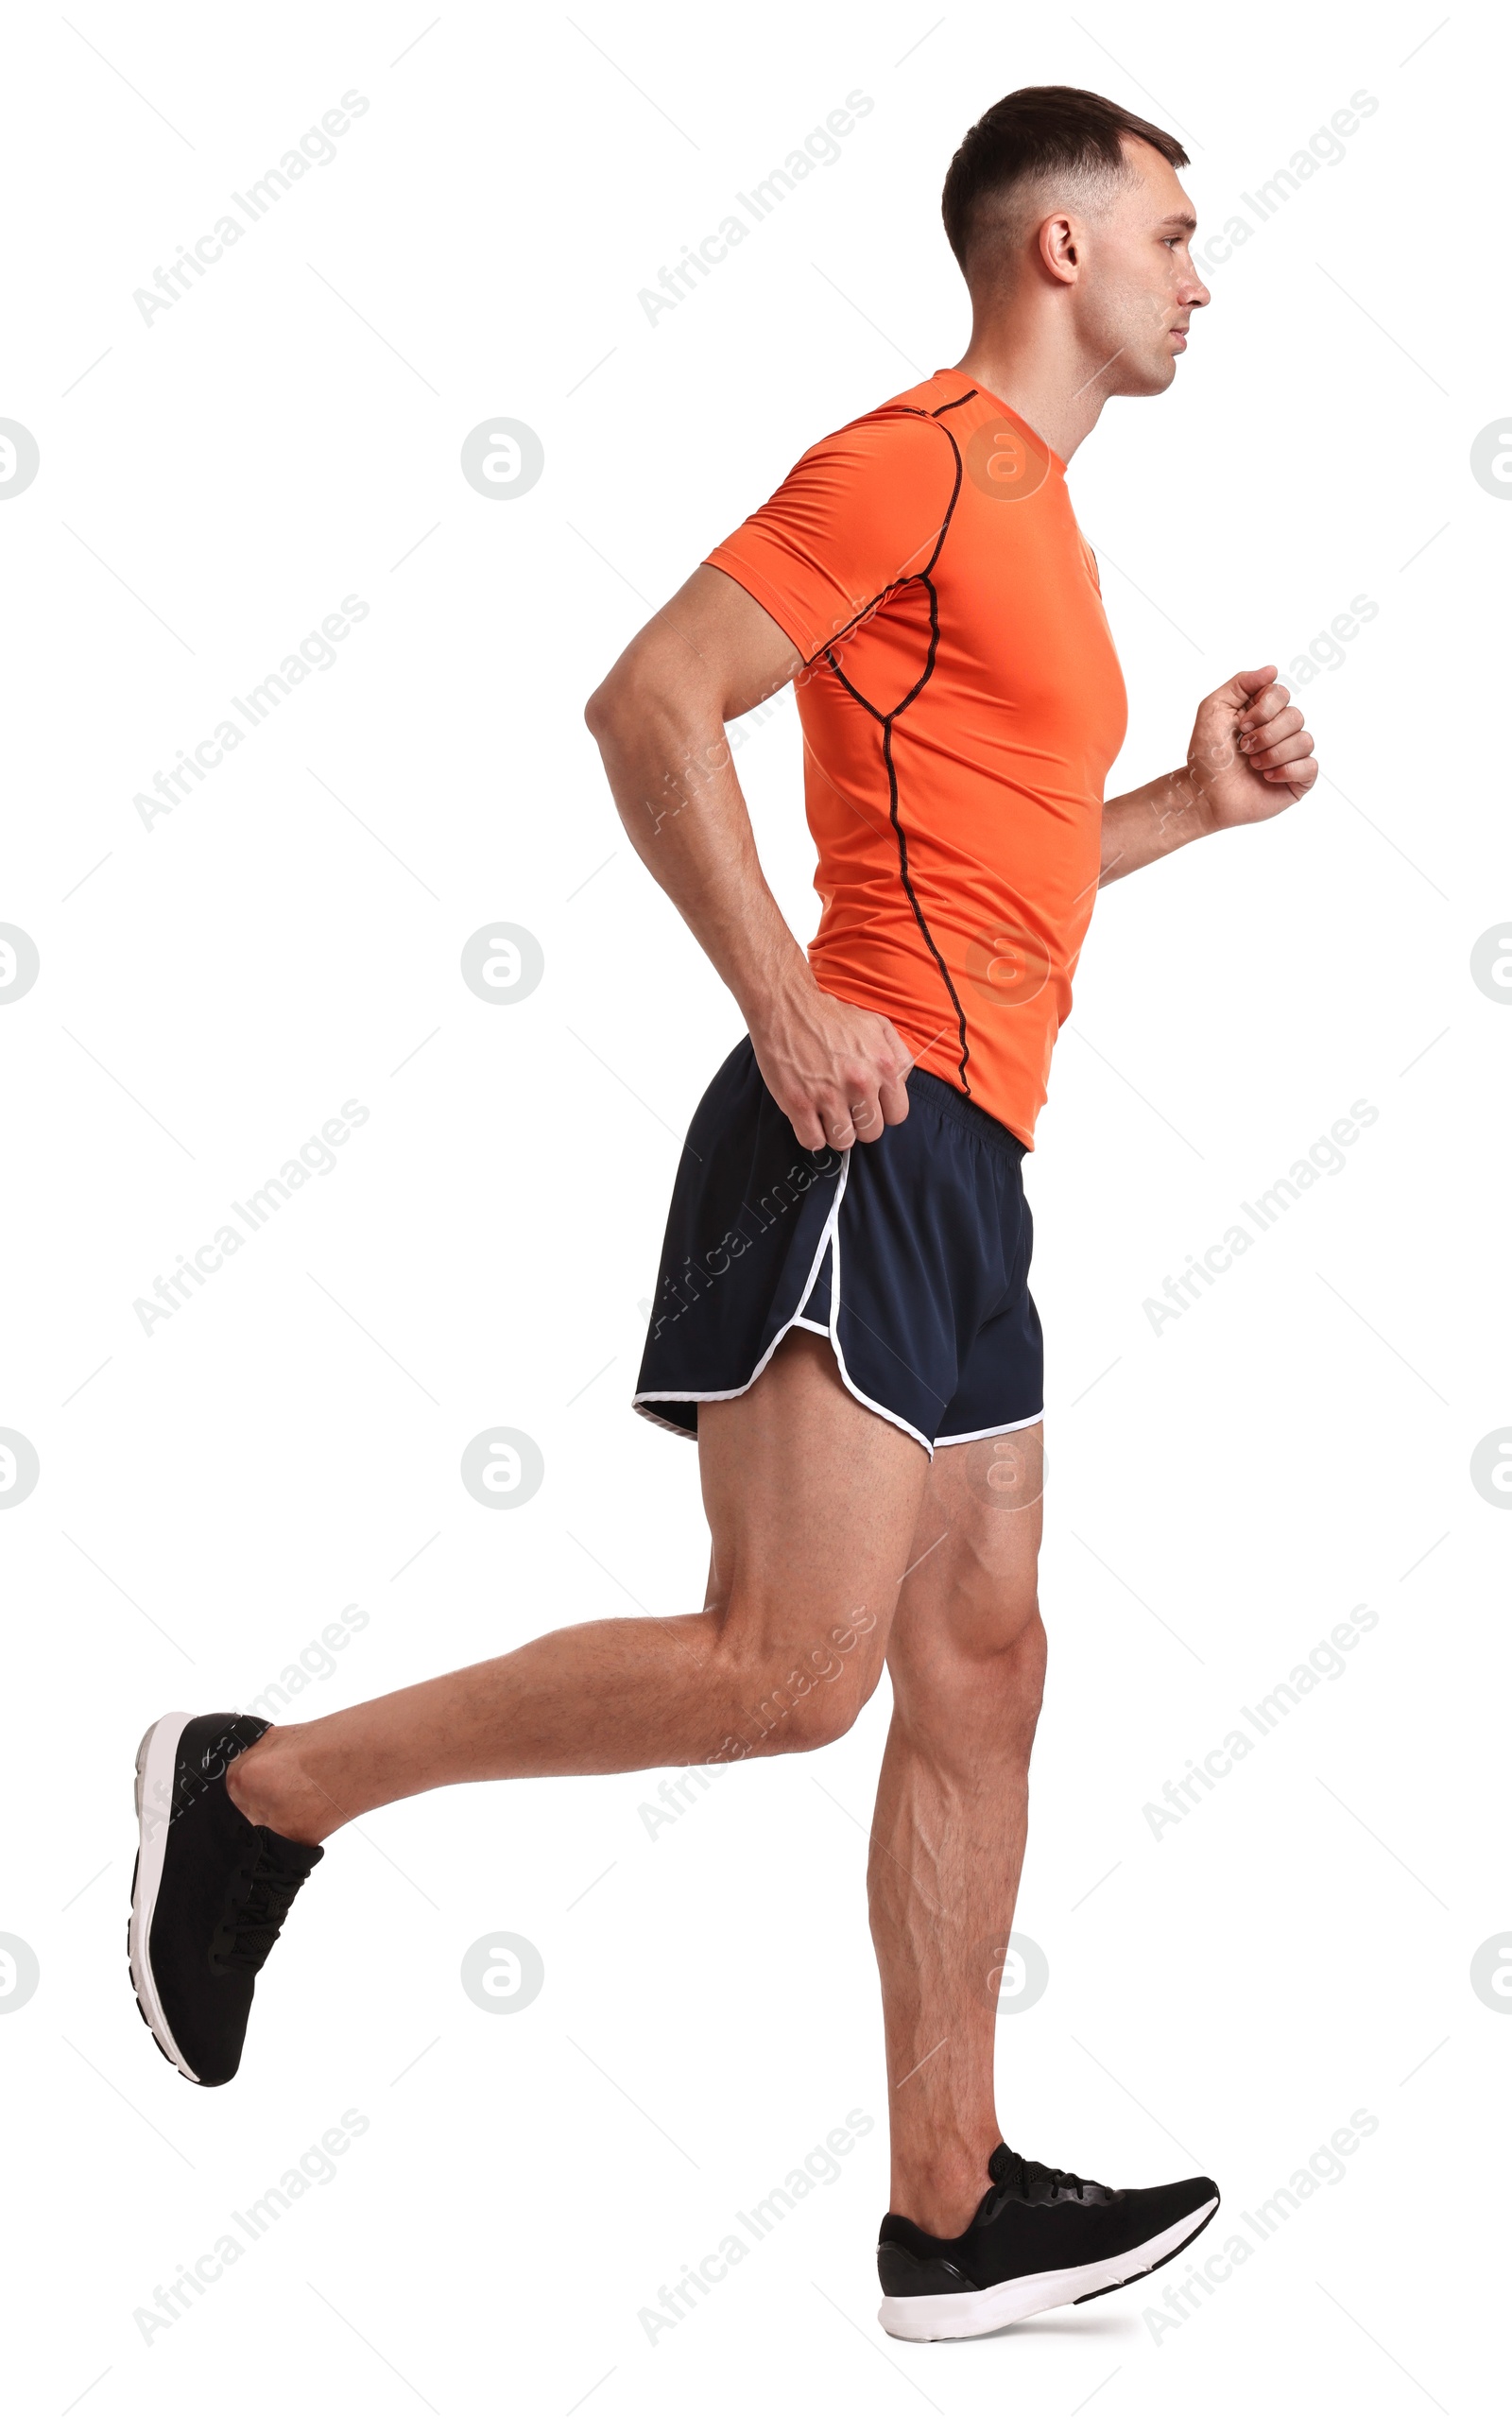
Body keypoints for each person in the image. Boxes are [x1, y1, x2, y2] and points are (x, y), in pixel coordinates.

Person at [128, 86, 1317, 2342]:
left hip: (973, 1157)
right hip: (851, 1124)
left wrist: (1188, 803)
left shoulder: (1044, 526)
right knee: (791, 1672)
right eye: (1173, 227)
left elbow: (991, 870)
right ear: (1053, 247)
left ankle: (947, 2214)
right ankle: (261, 1794)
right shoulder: (916, 455)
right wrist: (781, 1008)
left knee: (983, 1660)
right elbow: (649, 697)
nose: (1197, 268)